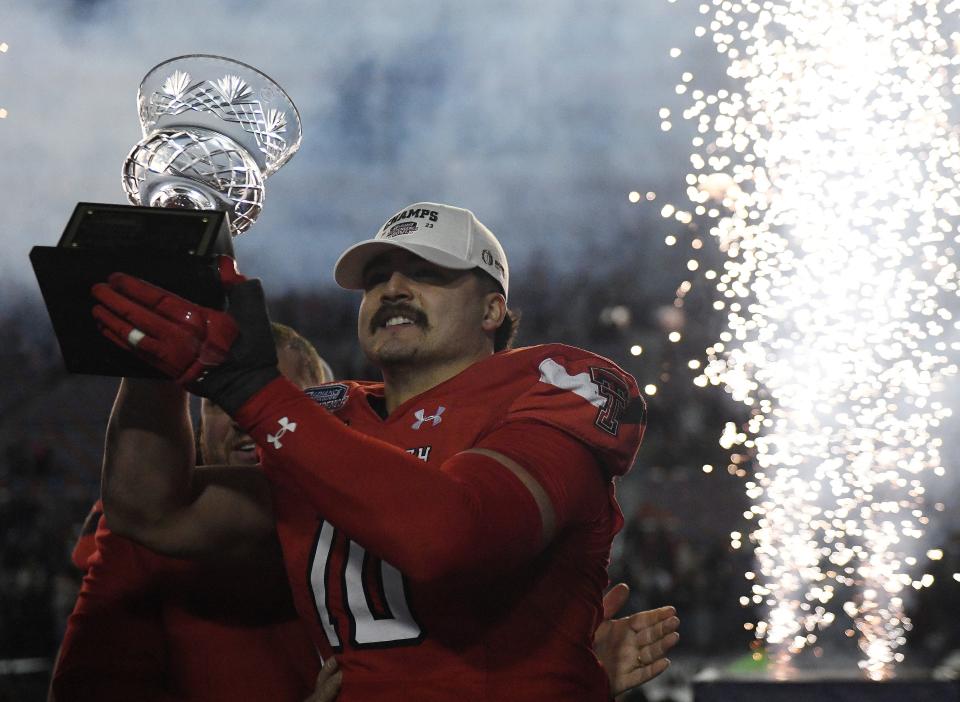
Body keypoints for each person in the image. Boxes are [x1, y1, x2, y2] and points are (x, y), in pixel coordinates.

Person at [90, 202, 678, 700]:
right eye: (377, 278)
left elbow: (456, 536)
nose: (393, 288)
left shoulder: (554, 383)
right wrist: (153, 358)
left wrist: (254, 393)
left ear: (492, 310)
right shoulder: (328, 416)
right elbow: (151, 512)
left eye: (427, 272)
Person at [50, 324, 329, 701]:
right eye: (217, 398)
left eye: (271, 395)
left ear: (328, 415)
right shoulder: (137, 535)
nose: (241, 414)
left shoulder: (364, 520)